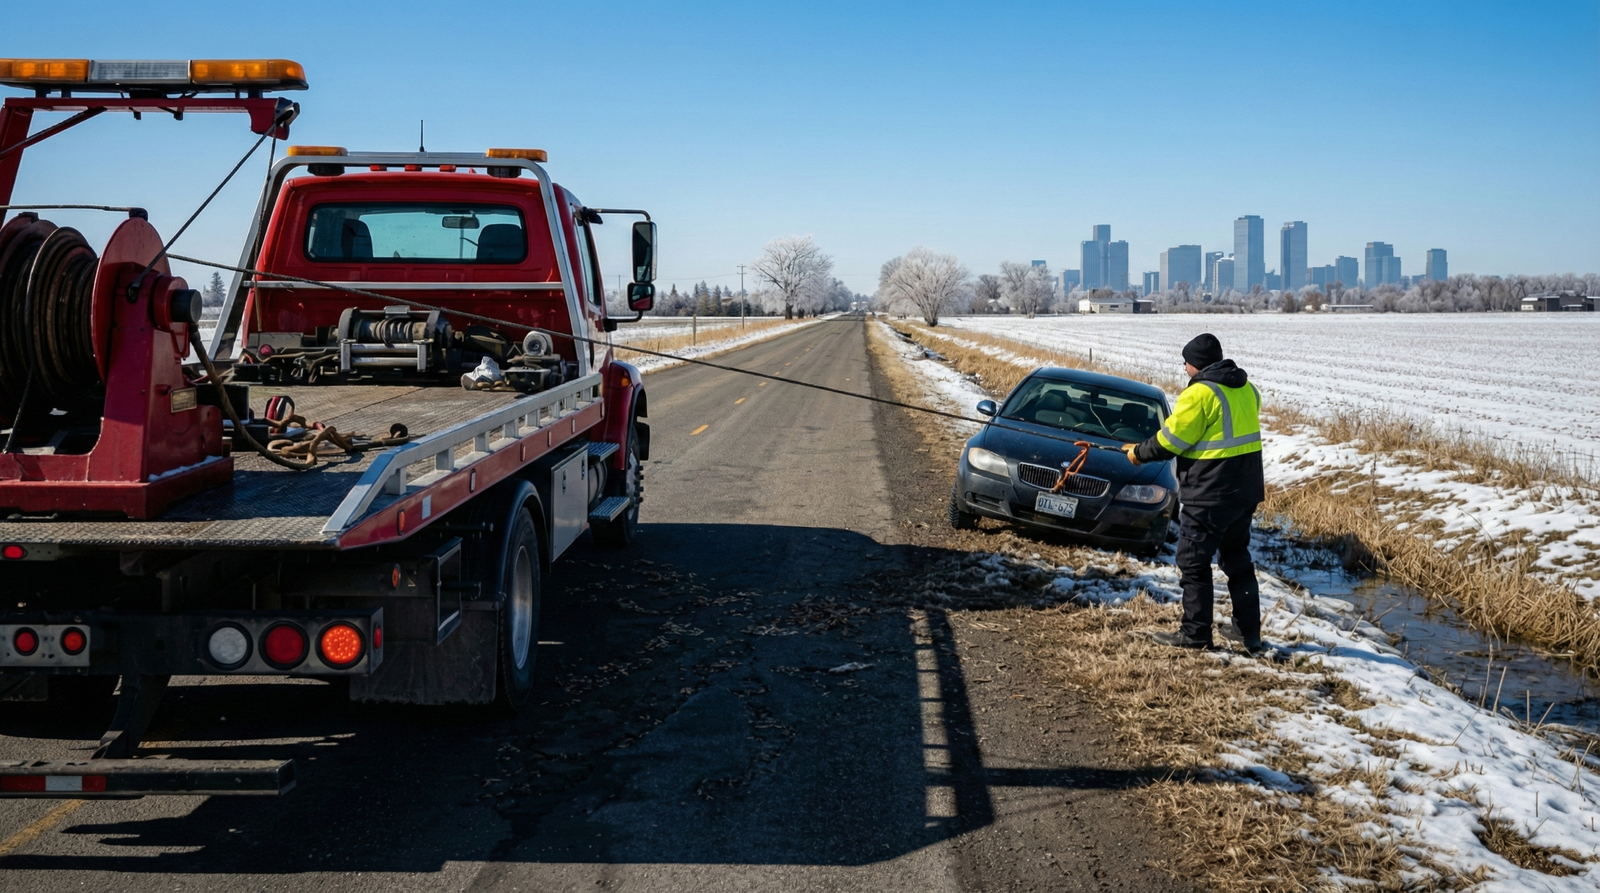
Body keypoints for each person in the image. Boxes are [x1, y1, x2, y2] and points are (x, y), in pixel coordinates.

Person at [1121, 333, 1267, 653]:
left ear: (1195, 365)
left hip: (1210, 493)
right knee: (1237, 561)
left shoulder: (1199, 394)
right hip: (1246, 491)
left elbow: (1171, 441)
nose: (1184, 369)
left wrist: (1138, 453)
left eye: (1185, 363)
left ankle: (1196, 635)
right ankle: (1248, 633)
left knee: (1192, 561)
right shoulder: (1246, 388)